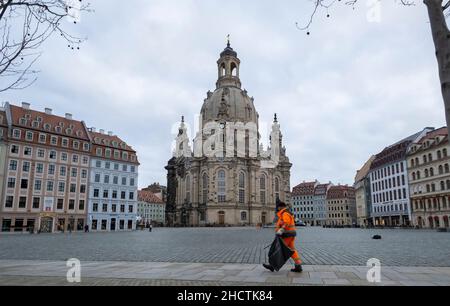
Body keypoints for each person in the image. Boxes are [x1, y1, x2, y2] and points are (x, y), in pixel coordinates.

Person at [263, 201, 303, 273]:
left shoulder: (284, 213)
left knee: (278, 249)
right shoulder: (287, 213)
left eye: (278, 207)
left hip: (286, 234)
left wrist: (281, 230)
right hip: (291, 234)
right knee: (292, 250)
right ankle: (298, 265)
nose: (277, 208)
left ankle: (272, 266)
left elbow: (286, 223)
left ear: (281, 207)